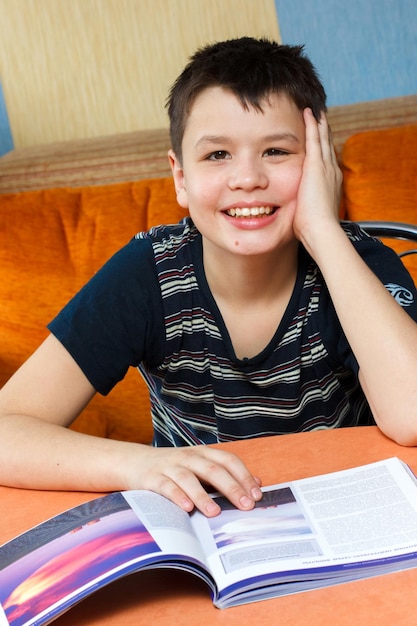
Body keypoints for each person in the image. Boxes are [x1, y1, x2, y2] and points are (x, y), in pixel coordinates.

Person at [1, 37, 417, 518]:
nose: (247, 178)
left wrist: (323, 229)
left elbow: (411, 415)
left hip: (347, 516)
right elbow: (10, 427)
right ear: (180, 177)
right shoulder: (149, 273)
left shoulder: (357, 261)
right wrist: (139, 464)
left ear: (321, 165)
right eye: (218, 155)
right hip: (206, 526)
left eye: (277, 151)